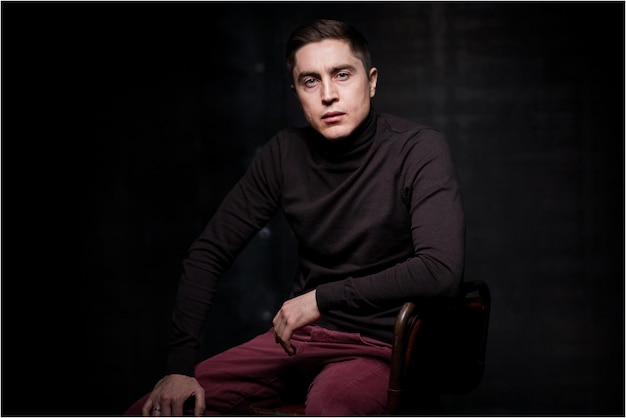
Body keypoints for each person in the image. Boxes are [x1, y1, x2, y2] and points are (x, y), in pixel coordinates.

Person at [125, 18, 465, 416]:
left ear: (371, 81)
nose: (328, 95)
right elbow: (208, 254)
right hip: (299, 342)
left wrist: (322, 298)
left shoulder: (418, 150)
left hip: (382, 345)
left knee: (327, 410)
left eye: (342, 75)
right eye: (310, 81)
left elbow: (440, 271)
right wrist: (180, 367)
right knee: (153, 411)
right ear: (296, 93)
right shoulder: (283, 154)